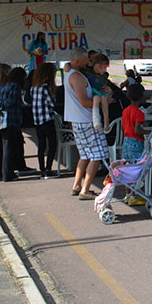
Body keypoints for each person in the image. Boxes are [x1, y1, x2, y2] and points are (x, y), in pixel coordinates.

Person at [64, 48, 109, 200]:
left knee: (84, 155)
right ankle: (85, 189)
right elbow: (84, 102)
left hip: (78, 121)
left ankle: (77, 185)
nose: (88, 62)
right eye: (86, 60)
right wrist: (103, 102)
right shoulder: (76, 76)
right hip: (87, 121)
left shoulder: (70, 72)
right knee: (97, 155)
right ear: (77, 61)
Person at [0, 66, 25, 182]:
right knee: (7, 148)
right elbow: (11, 102)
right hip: (8, 120)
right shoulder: (15, 86)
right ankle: (8, 174)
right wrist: (0, 106)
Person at [29, 62, 59, 179]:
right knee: (52, 144)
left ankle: (42, 169)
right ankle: (48, 168)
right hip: (46, 118)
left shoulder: (34, 87)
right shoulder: (45, 88)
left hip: (37, 120)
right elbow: (51, 104)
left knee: (41, 145)